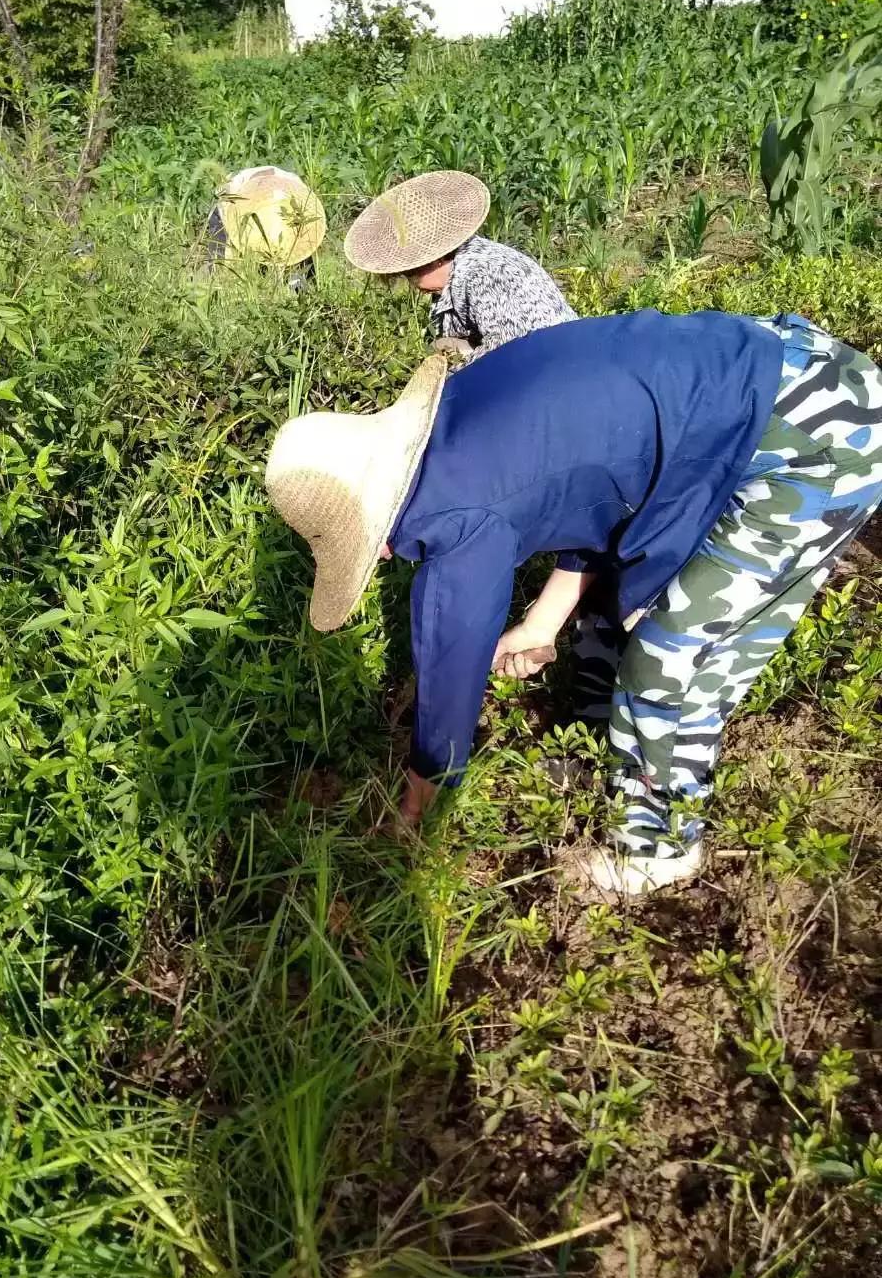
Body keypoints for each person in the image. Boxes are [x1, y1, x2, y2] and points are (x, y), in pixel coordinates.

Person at [265, 311, 882, 896]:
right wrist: (541, 622)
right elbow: (595, 489)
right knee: (677, 633)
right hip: (797, 370)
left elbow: (451, 665)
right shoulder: (462, 414)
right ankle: (644, 759)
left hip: (815, 439)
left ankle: (660, 851)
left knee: (669, 659)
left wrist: (420, 797)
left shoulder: (451, 512)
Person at [343, 170, 576, 359]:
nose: (411, 282)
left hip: (555, 368)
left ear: (436, 258)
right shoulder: (458, 272)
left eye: (411, 272)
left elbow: (506, 355)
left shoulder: (487, 274)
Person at [206, 166, 326, 290]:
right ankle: (219, 294)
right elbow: (232, 243)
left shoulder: (298, 191)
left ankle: (301, 289)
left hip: (282, 209)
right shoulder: (231, 195)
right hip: (229, 207)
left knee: (298, 250)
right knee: (222, 264)